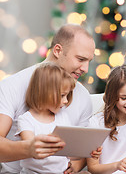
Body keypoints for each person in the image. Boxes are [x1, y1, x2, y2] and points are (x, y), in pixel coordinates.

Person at [0, 24, 95, 173]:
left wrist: (76, 165)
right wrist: (29, 148)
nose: (85, 69)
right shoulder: (12, 86)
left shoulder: (83, 97)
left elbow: (81, 149)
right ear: (58, 50)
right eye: (80, 59)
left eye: (89, 61)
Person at [87, 65, 126, 174]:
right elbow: (93, 167)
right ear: (112, 96)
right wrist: (117, 165)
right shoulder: (96, 123)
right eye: (124, 98)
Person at [17, 62, 75, 173]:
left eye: (67, 95)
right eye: (62, 95)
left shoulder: (63, 116)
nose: (66, 101)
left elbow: (70, 148)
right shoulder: (26, 120)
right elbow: (32, 148)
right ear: (44, 92)